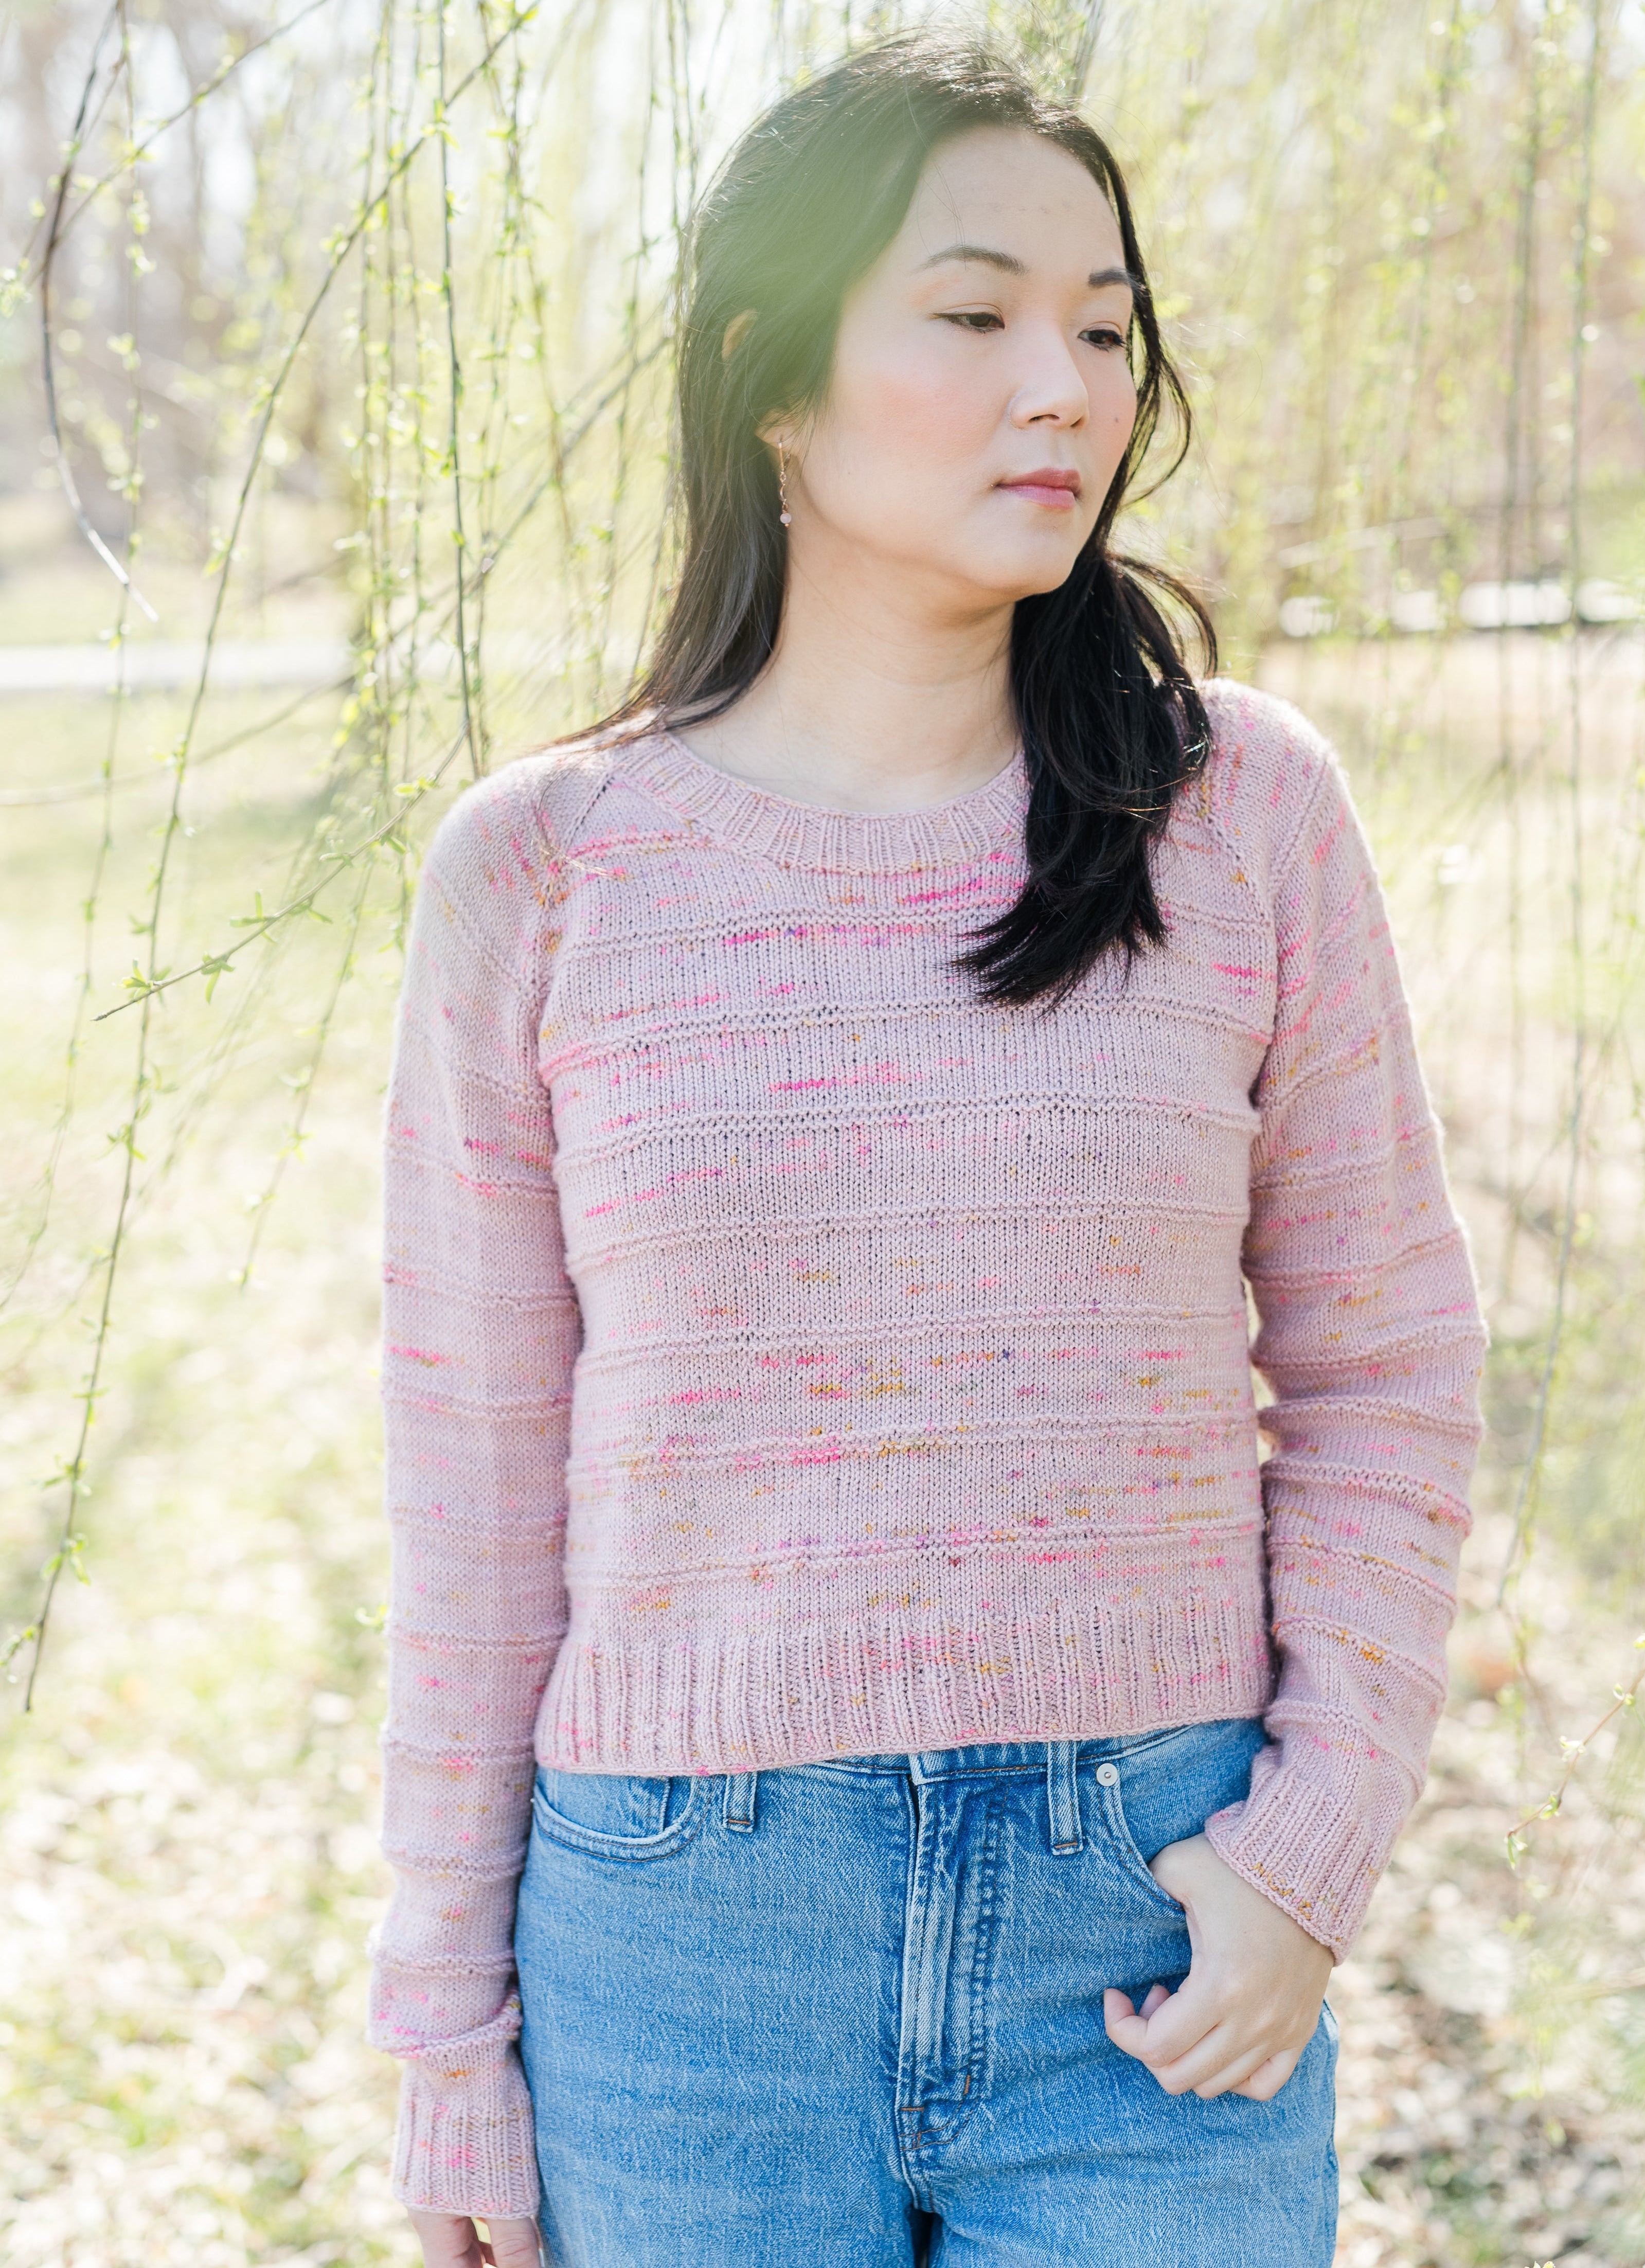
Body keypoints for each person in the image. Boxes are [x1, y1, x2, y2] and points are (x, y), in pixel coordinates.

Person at [369, 35, 1487, 2268]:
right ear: (775, 380)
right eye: (974, 315)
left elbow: (1388, 1368)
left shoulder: (1241, 810)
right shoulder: (549, 869)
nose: (1060, 383)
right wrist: (444, 2047)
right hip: (683, 1960)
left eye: (1103, 324)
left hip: (1159, 1948)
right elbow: (476, 1493)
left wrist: (1312, 1845)